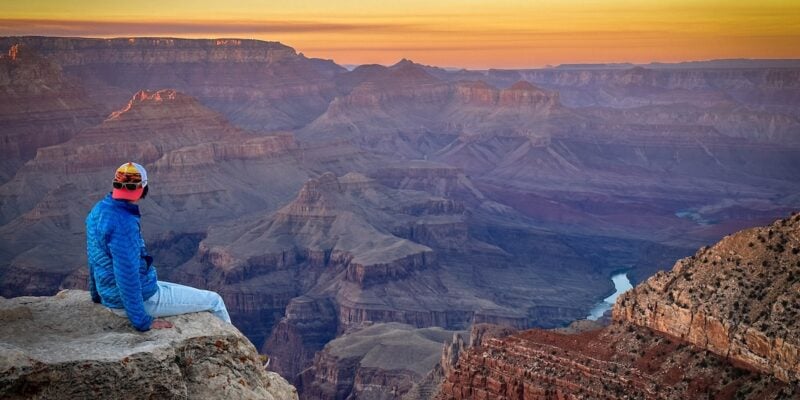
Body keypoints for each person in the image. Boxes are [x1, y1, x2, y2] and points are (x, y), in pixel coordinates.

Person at [86, 162, 231, 331]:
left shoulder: (99, 210)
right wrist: (142, 321)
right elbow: (127, 275)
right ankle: (242, 356)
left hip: (114, 292)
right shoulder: (123, 223)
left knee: (189, 292)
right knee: (215, 301)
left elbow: (93, 256)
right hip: (137, 299)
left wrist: (96, 294)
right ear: (142, 188)